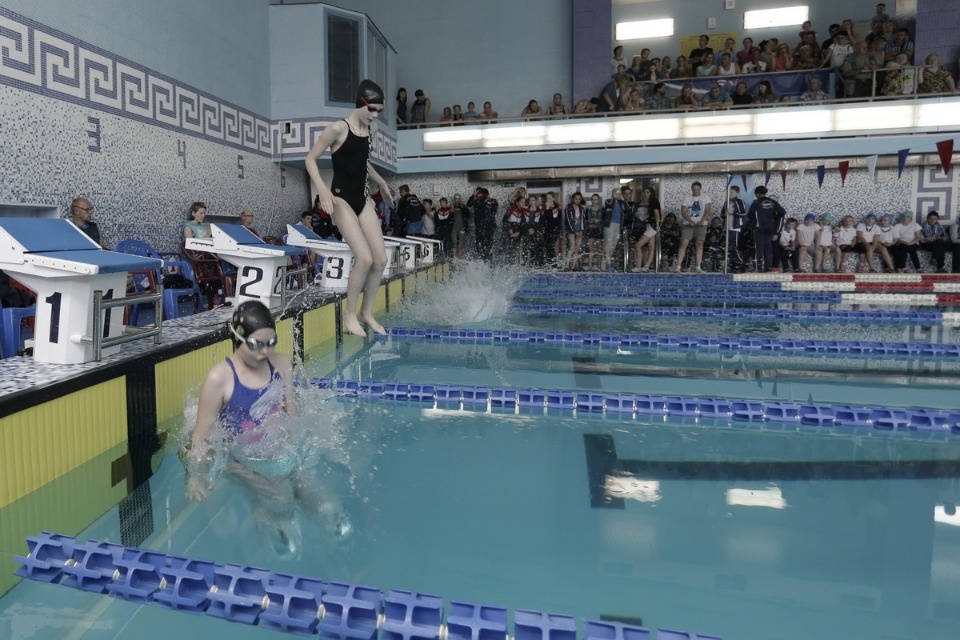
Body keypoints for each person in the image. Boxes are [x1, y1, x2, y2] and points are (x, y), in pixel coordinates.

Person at [184, 301, 347, 556]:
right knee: (278, 500)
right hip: (238, 458)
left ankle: (325, 528)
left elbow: (291, 412)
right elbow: (200, 438)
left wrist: (298, 450)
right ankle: (266, 521)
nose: (265, 351)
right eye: (256, 344)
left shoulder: (280, 363)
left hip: (274, 449)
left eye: (271, 342)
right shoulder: (220, 378)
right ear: (238, 338)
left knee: (308, 489)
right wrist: (196, 476)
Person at [305, 79, 393, 337]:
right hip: (340, 198)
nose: (375, 116)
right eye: (372, 110)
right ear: (360, 104)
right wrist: (322, 189)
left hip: (362, 198)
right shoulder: (337, 129)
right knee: (364, 259)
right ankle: (350, 313)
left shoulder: (371, 128)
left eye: (379, 111)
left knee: (380, 259)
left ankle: (366, 312)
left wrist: (382, 183)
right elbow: (310, 159)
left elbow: (363, 162)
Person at [745, 186, 785, 273]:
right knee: (768, 248)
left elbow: (749, 215)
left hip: (759, 228)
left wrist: (755, 220)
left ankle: (759, 268)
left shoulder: (756, 202)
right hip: (770, 228)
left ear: (757, 194)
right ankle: (768, 268)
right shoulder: (773, 202)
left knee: (759, 249)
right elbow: (782, 212)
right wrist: (773, 217)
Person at [675, 181, 712, 272]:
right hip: (688, 224)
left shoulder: (706, 198)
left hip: (701, 224)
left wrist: (702, 221)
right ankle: (678, 267)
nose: (695, 191)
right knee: (683, 243)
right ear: (691, 189)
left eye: (697, 189)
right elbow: (683, 211)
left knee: (699, 244)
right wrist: (689, 220)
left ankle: (698, 267)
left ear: (700, 189)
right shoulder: (687, 198)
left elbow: (707, 211)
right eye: (694, 189)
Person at [630, 186, 660, 272]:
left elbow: (657, 214)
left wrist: (657, 225)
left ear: (651, 193)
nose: (646, 194)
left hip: (652, 226)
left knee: (638, 245)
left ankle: (638, 266)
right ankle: (646, 266)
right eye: (645, 192)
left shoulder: (654, 201)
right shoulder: (646, 203)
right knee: (651, 246)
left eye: (648, 192)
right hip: (648, 226)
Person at [468, 187, 498, 261]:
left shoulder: (482, 200)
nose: (476, 195)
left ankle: (484, 260)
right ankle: (486, 259)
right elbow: (469, 204)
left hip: (484, 226)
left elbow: (469, 204)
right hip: (485, 226)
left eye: (477, 193)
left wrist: (473, 196)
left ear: (482, 193)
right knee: (485, 244)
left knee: (482, 244)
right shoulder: (489, 200)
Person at [722, 185, 748, 269]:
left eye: (731, 192)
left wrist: (733, 212)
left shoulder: (740, 202)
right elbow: (722, 215)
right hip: (727, 227)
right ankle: (733, 264)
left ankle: (741, 263)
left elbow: (744, 213)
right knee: (728, 247)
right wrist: (724, 214)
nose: (729, 194)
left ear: (737, 193)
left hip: (735, 227)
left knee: (734, 246)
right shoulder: (726, 202)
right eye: (728, 192)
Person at [563, 192, 585, 271]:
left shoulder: (581, 208)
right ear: (572, 199)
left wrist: (581, 230)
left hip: (579, 229)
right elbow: (568, 220)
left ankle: (573, 267)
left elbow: (582, 220)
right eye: (576, 199)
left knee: (577, 249)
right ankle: (566, 266)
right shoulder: (568, 207)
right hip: (571, 229)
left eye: (579, 199)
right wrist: (574, 230)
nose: (577, 200)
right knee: (572, 247)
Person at [451, 193, 469, 258]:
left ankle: (460, 259)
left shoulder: (463, 207)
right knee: (454, 244)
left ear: (460, 199)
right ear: (454, 200)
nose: (457, 200)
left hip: (461, 228)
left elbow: (468, 215)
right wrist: (451, 210)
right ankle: (455, 259)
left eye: (458, 199)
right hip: (454, 228)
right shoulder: (452, 207)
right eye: (456, 199)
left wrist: (463, 207)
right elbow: (448, 218)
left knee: (460, 245)